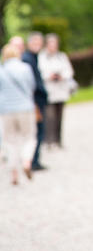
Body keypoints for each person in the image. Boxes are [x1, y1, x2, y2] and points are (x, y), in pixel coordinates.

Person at [0, 43, 36, 185]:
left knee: (10, 141)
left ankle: (13, 172)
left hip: (7, 110)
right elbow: (31, 86)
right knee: (29, 137)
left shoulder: (1, 70)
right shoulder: (25, 68)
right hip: (25, 108)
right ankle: (26, 161)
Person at [38, 33, 75, 147]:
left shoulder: (62, 56)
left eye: (55, 44)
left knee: (59, 117)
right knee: (49, 117)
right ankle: (49, 141)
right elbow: (40, 72)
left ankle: (58, 140)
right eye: (51, 44)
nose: (53, 46)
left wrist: (61, 76)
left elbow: (69, 71)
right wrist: (50, 76)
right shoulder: (42, 57)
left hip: (61, 90)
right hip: (49, 91)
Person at [22, 32, 49, 172]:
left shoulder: (33, 58)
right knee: (37, 131)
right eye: (35, 43)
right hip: (34, 101)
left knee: (37, 131)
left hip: (36, 100)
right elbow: (31, 84)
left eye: (39, 43)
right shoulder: (28, 59)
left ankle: (34, 160)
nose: (37, 46)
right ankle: (33, 161)